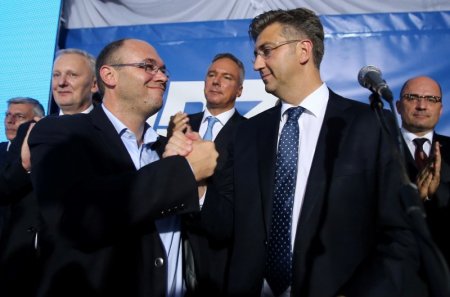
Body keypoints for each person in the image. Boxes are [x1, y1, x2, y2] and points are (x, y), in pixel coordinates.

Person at [196, 8, 432, 297]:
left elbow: (400, 236)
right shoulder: (248, 132)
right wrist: (197, 184)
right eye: (256, 53)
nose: (256, 64)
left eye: (266, 51)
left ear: (303, 50)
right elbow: (225, 224)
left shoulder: (368, 124)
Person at [28, 38, 218, 297]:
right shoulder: (62, 134)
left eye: (163, 70)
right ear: (109, 75)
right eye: (148, 67)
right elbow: (78, 218)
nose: (161, 78)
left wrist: (199, 188)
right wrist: (183, 172)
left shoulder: (170, 150)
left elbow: (212, 234)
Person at [169, 53, 246, 295]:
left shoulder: (249, 134)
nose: (216, 81)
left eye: (226, 77)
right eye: (211, 75)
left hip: (220, 259)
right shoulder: (181, 126)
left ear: (240, 90)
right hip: (174, 247)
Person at [396, 76, 450, 267]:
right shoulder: (379, 147)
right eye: (412, 97)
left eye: (431, 99)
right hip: (398, 264)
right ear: (398, 106)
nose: (422, 105)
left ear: (440, 109)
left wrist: (433, 195)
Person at [51, 48, 98, 115]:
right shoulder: (43, 124)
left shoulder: (109, 124)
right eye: (57, 75)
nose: (61, 82)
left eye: (72, 75)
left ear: (94, 84)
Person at [0, 97, 44, 165]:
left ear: (36, 122)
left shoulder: (43, 155)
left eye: (19, 116)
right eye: (7, 115)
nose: (10, 121)